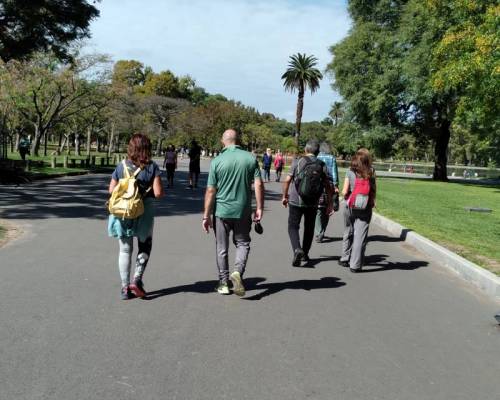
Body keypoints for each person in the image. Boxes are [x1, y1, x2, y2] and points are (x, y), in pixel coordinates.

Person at [202, 129, 264, 296]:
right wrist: (259, 207)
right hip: (243, 210)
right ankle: (238, 272)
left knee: (222, 247)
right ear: (238, 141)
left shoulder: (217, 161)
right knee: (243, 243)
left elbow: (210, 190)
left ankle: (223, 283)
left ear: (223, 141)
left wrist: (206, 215)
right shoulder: (250, 158)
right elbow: (258, 184)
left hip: (222, 210)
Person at [108, 133, 164, 300]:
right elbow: (159, 193)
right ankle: (137, 279)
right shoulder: (152, 167)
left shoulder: (121, 166)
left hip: (124, 211)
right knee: (144, 245)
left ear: (131, 147)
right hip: (145, 211)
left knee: (125, 249)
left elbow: (111, 190)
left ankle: (125, 288)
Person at [282, 139, 332, 266]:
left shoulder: (297, 162)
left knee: (293, 226)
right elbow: (328, 185)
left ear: (306, 149)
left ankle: (297, 249)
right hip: (313, 202)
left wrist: (284, 196)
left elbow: (287, 180)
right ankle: (305, 254)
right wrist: (330, 203)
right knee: (309, 228)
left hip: (296, 200)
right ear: (317, 152)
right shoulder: (322, 164)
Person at [339, 148, 376, 273]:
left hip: (350, 205)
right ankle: (355, 265)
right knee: (360, 236)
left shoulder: (350, 171)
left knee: (348, 230)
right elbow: (373, 190)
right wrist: (371, 202)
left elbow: (344, 191)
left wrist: (345, 195)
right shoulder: (371, 172)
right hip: (364, 207)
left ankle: (344, 258)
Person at [315, 142, 339, 242]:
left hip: (318, 185)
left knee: (319, 209)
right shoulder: (332, 158)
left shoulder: (317, 157)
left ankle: (319, 232)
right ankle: (322, 230)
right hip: (329, 185)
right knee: (328, 208)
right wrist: (336, 185)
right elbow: (334, 173)